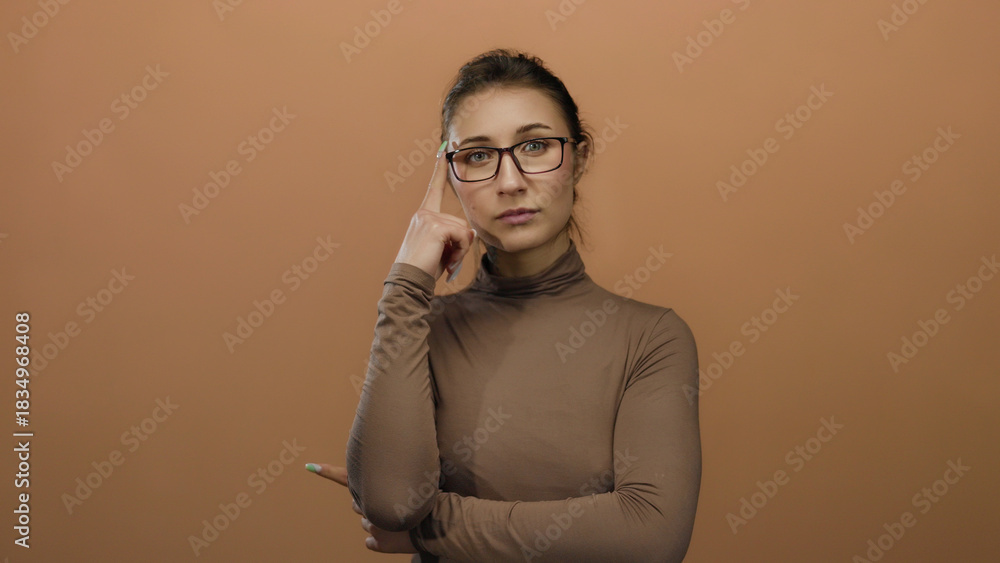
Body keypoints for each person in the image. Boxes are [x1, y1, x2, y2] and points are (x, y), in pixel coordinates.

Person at [307, 49, 702, 562]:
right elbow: (391, 503)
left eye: (535, 146)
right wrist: (404, 286)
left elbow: (650, 537)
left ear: (580, 158)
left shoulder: (651, 337)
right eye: (477, 156)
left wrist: (430, 528)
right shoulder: (419, 327)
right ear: (451, 177)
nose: (510, 181)